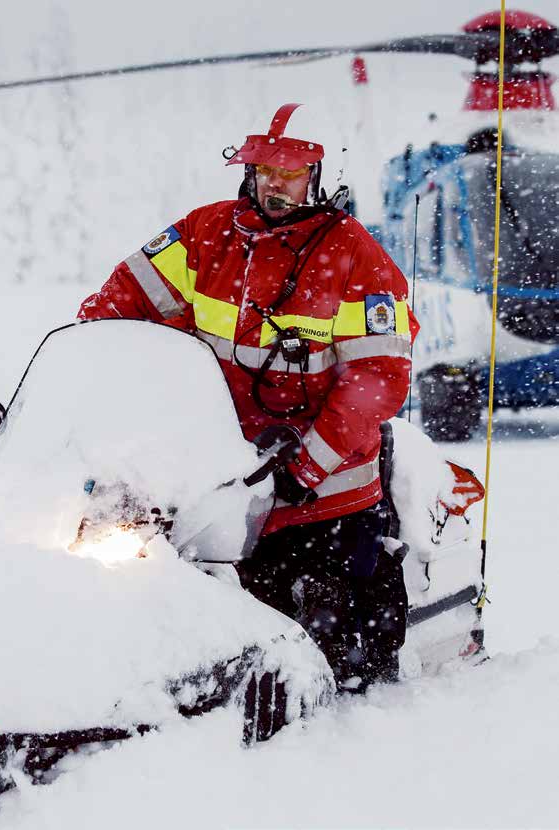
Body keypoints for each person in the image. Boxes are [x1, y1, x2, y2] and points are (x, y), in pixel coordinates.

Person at [78, 103, 419, 692]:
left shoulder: (360, 260)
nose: (272, 182)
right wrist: (88, 380)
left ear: (326, 176)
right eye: (264, 168)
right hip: (213, 482)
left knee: (338, 665)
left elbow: (376, 381)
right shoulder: (202, 235)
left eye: (289, 171)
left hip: (318, 497)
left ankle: (359, 749)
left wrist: (303, 468)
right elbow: (111, 310)